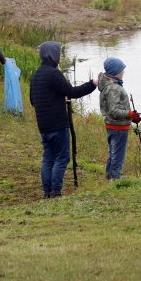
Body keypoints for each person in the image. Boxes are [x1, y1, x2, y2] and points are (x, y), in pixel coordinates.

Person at [29, 41, 97, 198]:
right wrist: (92, 84)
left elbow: (34, 100)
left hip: (43, 125)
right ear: (53, 55)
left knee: (48, 158)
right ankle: (56, 192)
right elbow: (72, 92)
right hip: (58, 124)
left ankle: (47, 192)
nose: (60, 57)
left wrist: (59, 99)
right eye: (59, 53)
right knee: (62, 158)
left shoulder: (37, 74)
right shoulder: (54, 74)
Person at [98, 57, 141, 180]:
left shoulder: (110, 86)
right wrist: (130, 114)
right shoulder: (114, 88)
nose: (123, 72)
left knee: (112, 154)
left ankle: (109, 178)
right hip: (117, 127)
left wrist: (131, 116)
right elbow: (114, 111)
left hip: (113, 126)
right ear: (116, 72)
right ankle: (115, 181)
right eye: (122, 70)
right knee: (117, 156)